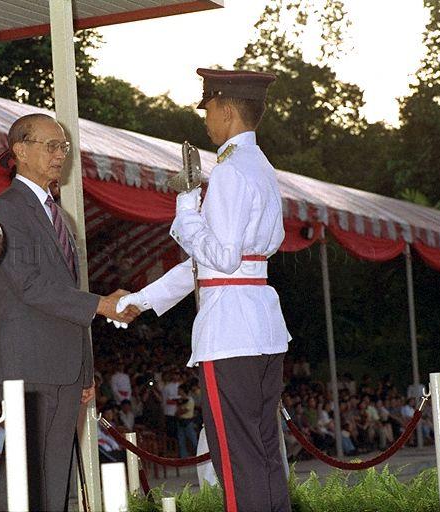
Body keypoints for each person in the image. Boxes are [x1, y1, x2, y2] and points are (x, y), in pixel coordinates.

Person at [117, 68, 291, 511]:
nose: (206, 120)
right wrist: (142, 300)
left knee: (236, 457)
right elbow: (210, 265)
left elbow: (222, 255)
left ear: (227, 110)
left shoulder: (231, 172)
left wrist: (185, 206)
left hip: (230, 330)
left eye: (209, 109)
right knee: (265, 454)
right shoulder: (262, 166)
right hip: (261, 325)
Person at [0, 113, 138, 512]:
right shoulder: (5, 209)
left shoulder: (60, 216)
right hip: (28, 363)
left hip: (66, 367)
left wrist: (85, 369)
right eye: (50, 146)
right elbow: (29, 285)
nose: (59, 155)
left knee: (57, 477)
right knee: (25, 478)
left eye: (64, 147)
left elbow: (69, 293)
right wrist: (103, 304)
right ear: (20, 150)